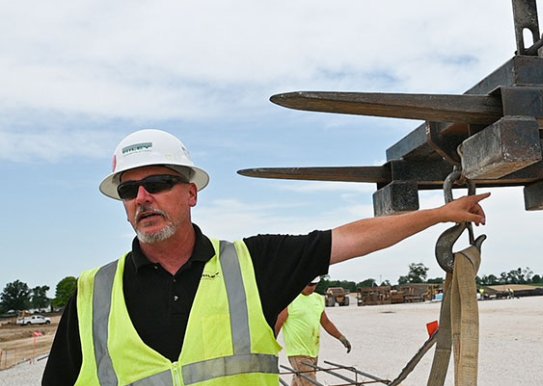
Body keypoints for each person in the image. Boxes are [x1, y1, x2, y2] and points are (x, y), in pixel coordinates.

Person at [42, 129, 488, 386]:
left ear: (191, 193)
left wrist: (438, 214)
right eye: (128, 190)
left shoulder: (252, 264)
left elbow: (349, 238)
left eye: (157, 183)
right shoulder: (92, 292)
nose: (142, 197)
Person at [274, 280, 348, 386]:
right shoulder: (290, 300)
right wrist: (271, 344)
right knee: (310, 383)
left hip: (313, 351)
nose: (312, 288)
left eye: (315, 285)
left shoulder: (318, 299)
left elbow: (326, 322)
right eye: (309, 284)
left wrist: (341, 337)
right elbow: (278, 323)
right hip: (297, 352)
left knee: (301, 381)